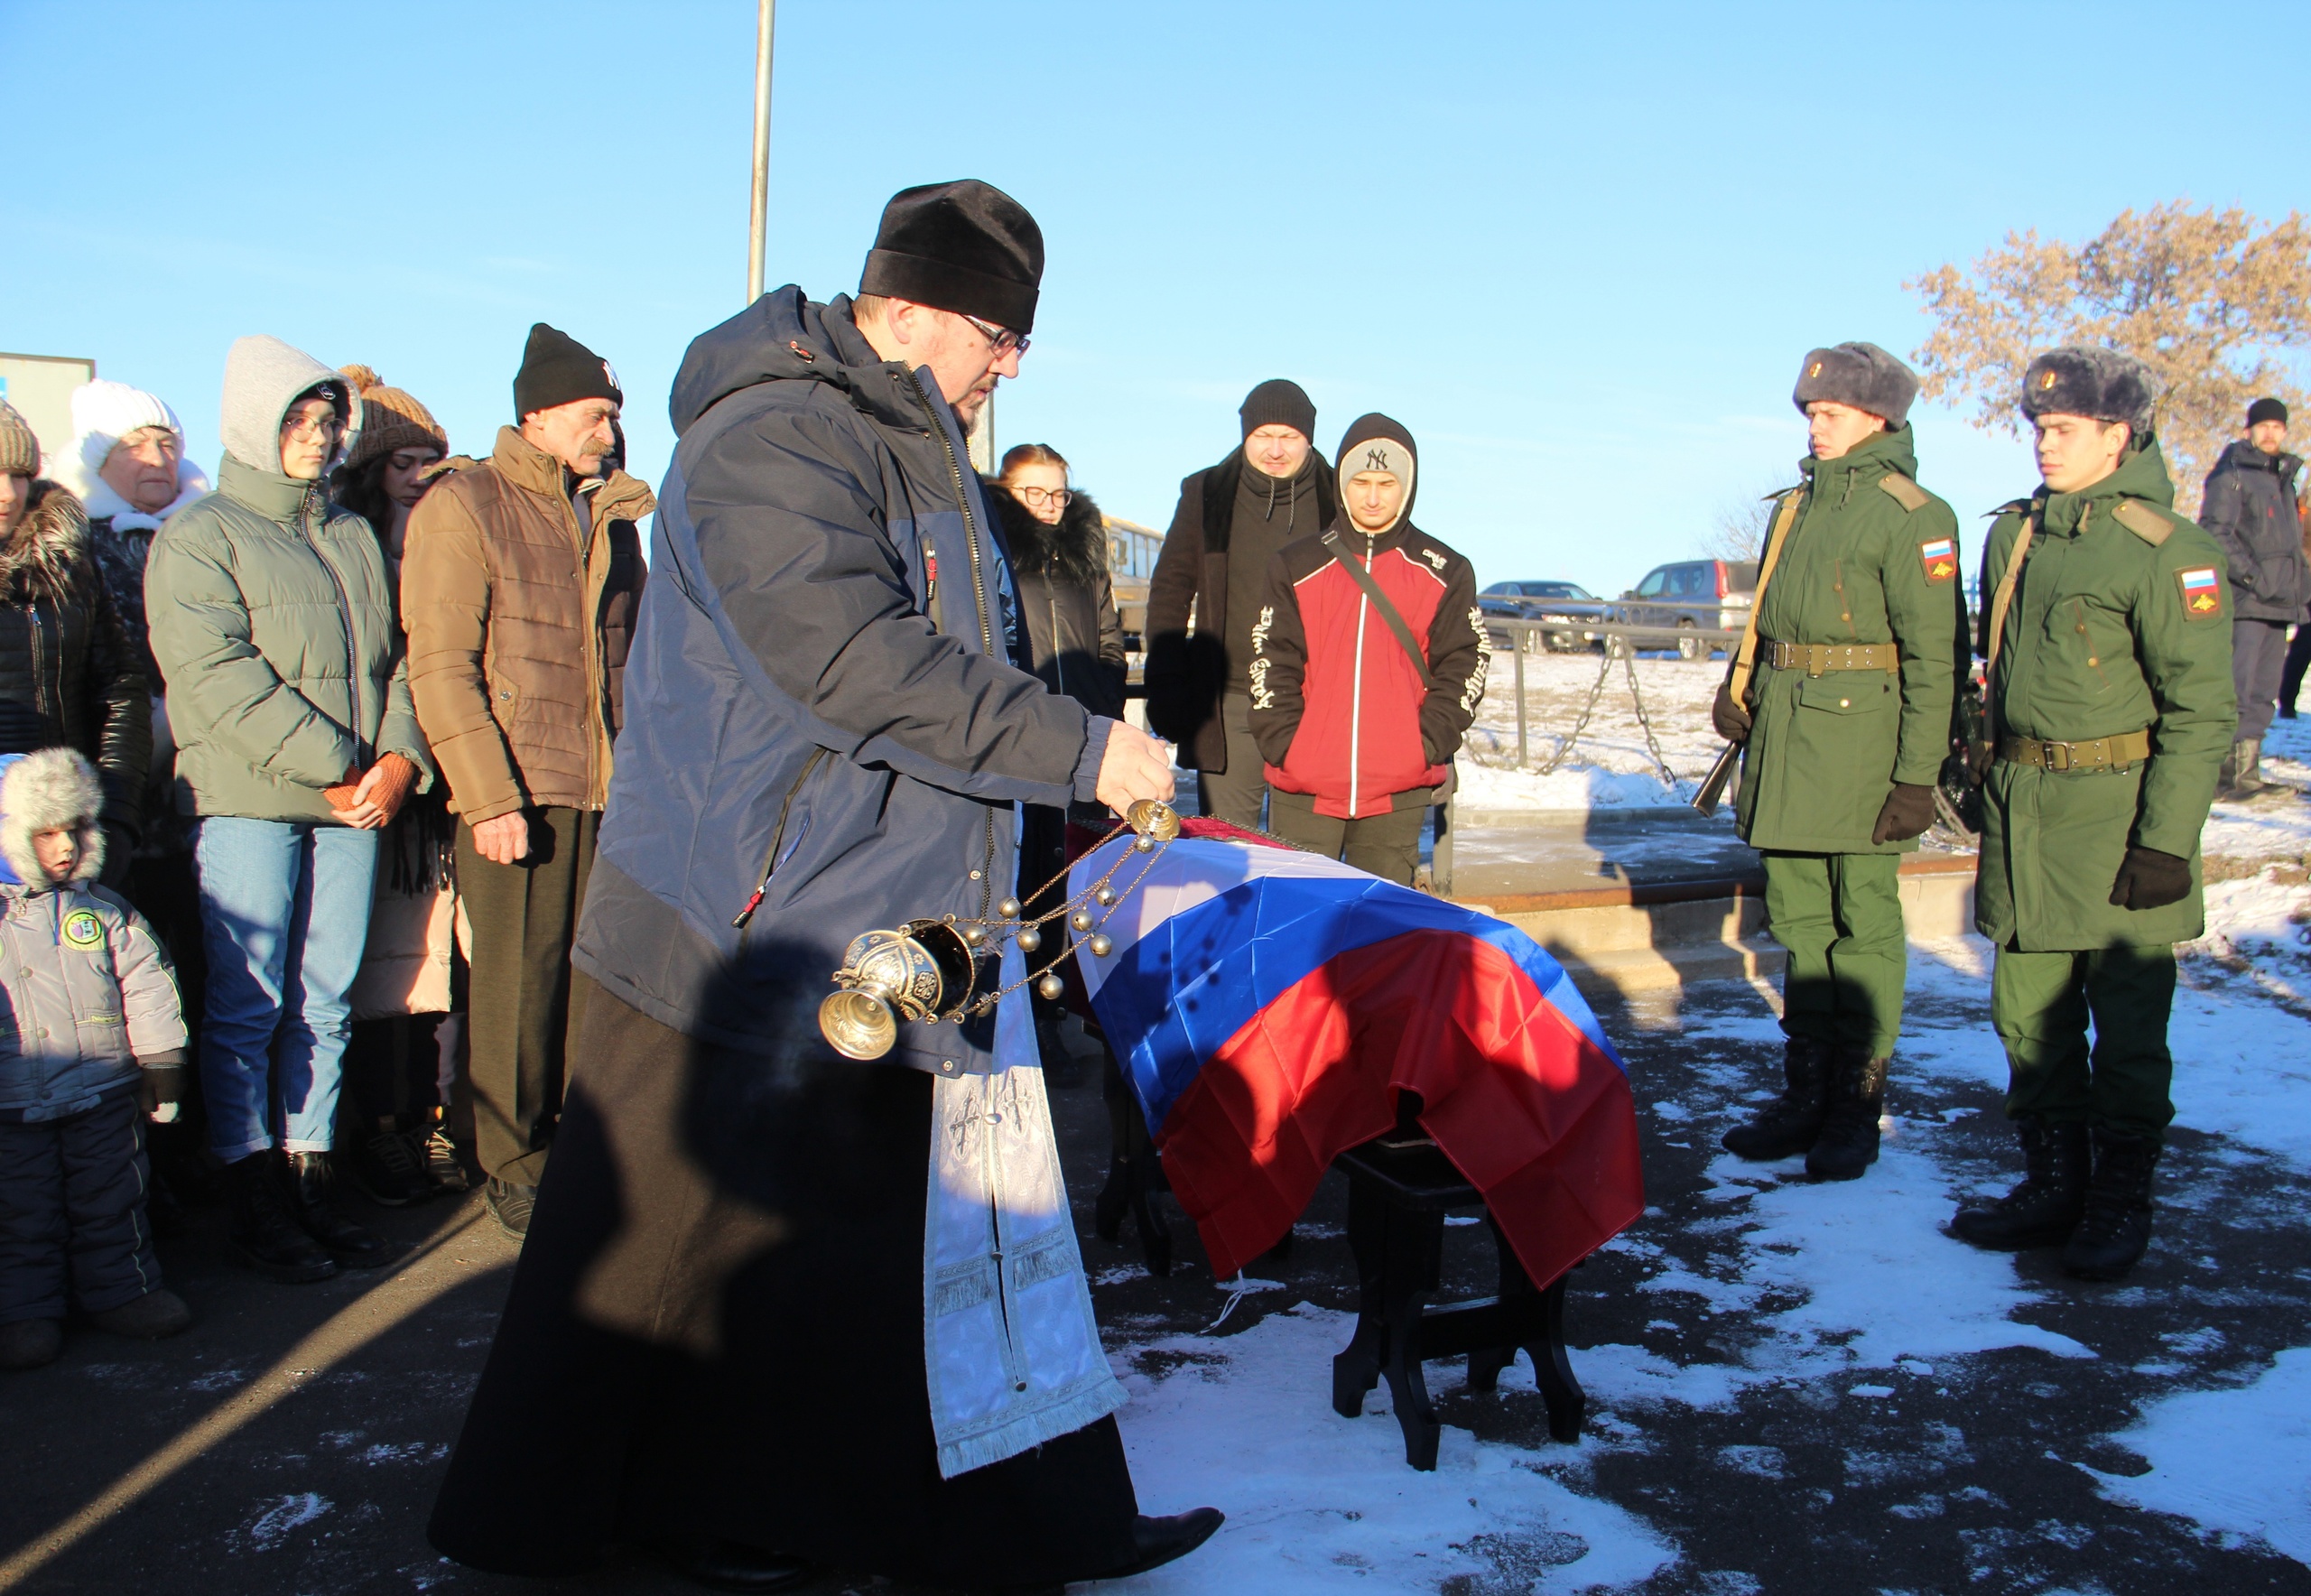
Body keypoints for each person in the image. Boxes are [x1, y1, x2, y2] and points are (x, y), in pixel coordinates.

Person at [428, 179, 1216, 1594]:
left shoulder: (927, 456)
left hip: (898, 916)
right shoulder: (775, 436)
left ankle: (1029, 1526)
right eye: (995, 330)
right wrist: (1086, 749)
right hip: (743, 921)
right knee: (671, 1272)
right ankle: (629, 1524)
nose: (1013, 364)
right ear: (902, 307)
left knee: (942, 1258)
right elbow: (850, 660)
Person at [145, 336, 433, 1285]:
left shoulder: (348, 533)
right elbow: (218, 677)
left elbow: (394, 659)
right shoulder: (200, 536)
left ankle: (309, 1172)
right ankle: (248, 1182)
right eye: (296, 421)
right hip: (249, 802)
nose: (314, 437)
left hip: (352, 801)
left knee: (328, 997)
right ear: (252, 426)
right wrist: (349, 763)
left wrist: (400, 759)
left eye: (325, 420)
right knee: (248, 1002)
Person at [1949, 348, 2233, 1282]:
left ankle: (2119, 1197)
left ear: (2118, 435)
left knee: (2126, 1026)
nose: (2043, 444)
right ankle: (2054, 1181)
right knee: (2025, 1014)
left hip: (2118, 816)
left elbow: (2201, 713)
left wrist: (2165, 840)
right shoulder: (2015, 537)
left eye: (2062, 428)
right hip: (2026, 809)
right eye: (2037, 427)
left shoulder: (2168, 549)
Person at [401, 325, 653, 1239]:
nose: (610, 428)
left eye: (616, 413)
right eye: (596, 411)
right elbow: (439, 663)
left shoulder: (612, 517)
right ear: (538, 413)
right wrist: (488, 793)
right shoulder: (465, 504)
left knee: (592, 978)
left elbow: (638, 659)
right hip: (516, 783)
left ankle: (577, 1140)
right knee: (515, 982)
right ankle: (508, 1156)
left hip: (605, 784)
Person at [1712, 343, 1963, 1182]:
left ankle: (1857, 1103)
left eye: (1830, 413)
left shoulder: (1913, 514)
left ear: (1878, 418)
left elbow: (1935, 661)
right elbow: (1774, 617)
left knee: (1865, 925)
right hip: (1788, 733)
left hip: (1863, 745)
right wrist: (1740, 686)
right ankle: (1806, 1094)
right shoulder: (1799, 507)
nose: (1815, 426)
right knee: (1801, 923)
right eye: (1811, 414)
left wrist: (1916, 776)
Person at [0, 747, 191, 1369]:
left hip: (104, 1088)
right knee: (21, 1210)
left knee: (111, 1197)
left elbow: (148, 980)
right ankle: (24, 1312)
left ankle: (123, 1291)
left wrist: (161, 1062)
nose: (65, 847)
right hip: (14, 1099)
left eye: (77, 829)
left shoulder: (103, 910)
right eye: (46, 832)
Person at [329, 367, 466, 1206]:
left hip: (443, 789)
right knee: (380, 967)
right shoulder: (356, 551)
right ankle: (379, 1127)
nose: (420, 478)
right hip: (378, 782)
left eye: (430, 461)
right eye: (403, 462)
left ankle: (435, 1119)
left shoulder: (443, 542)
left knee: (439, 969)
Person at [1247, 415, 1485, 885]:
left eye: (1386, 483)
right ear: (1341, 483)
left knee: (1378, 941)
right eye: (1360, 482)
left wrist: (1423, 746)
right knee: (1299, 932)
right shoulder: (1296, 565)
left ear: (1408, 487)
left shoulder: (1446, 571)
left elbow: (1464, 662)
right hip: (1304, 792)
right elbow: (1270, 659)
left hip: (1396, 794)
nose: (1373, 497)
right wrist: (1287, 745)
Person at [987, 441, 1126, 1072]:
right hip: (1021, 738)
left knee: (1075, 880)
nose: (1048, 506)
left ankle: (1068, 1012)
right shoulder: (993, 553)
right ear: (1008, 492)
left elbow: (1108, 644)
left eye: (1059, 493)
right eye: (1034, 494)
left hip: (1084, 740)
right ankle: (1027, 1021)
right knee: (1024, 881)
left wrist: (1104, 707)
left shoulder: (1085, 559)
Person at [1145, 380, 1338, 827]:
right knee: (1231, 849)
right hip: (1227, 702)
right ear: (1245, 435)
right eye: (1262, 436)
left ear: (1307, 438)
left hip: (1312, 702)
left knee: (1307, 851)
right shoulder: (1206, 493)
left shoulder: (1338, 498)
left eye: (1288, 437)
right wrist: (1168, 682)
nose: (1275, 449)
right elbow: (1171, 590)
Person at [0, 402, 150, 879]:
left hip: (71, 837)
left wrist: (116, 814)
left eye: (19, 474)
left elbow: (120, 690)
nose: (7, 493)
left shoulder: (68, 558)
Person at [2198, 397, 2302, 796]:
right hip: (2246, 601)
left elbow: (2291, 547)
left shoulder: (2282, 479)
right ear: (2249, 431)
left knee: (2263, 692)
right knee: (2237, 689)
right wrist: (2254, 578)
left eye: (2278, 426)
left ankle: (2247, 774)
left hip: (2279, 603)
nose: (2271, 433)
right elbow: (2214, 532)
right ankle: (2227, 778)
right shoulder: (2233, 475)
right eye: (2263, 426)